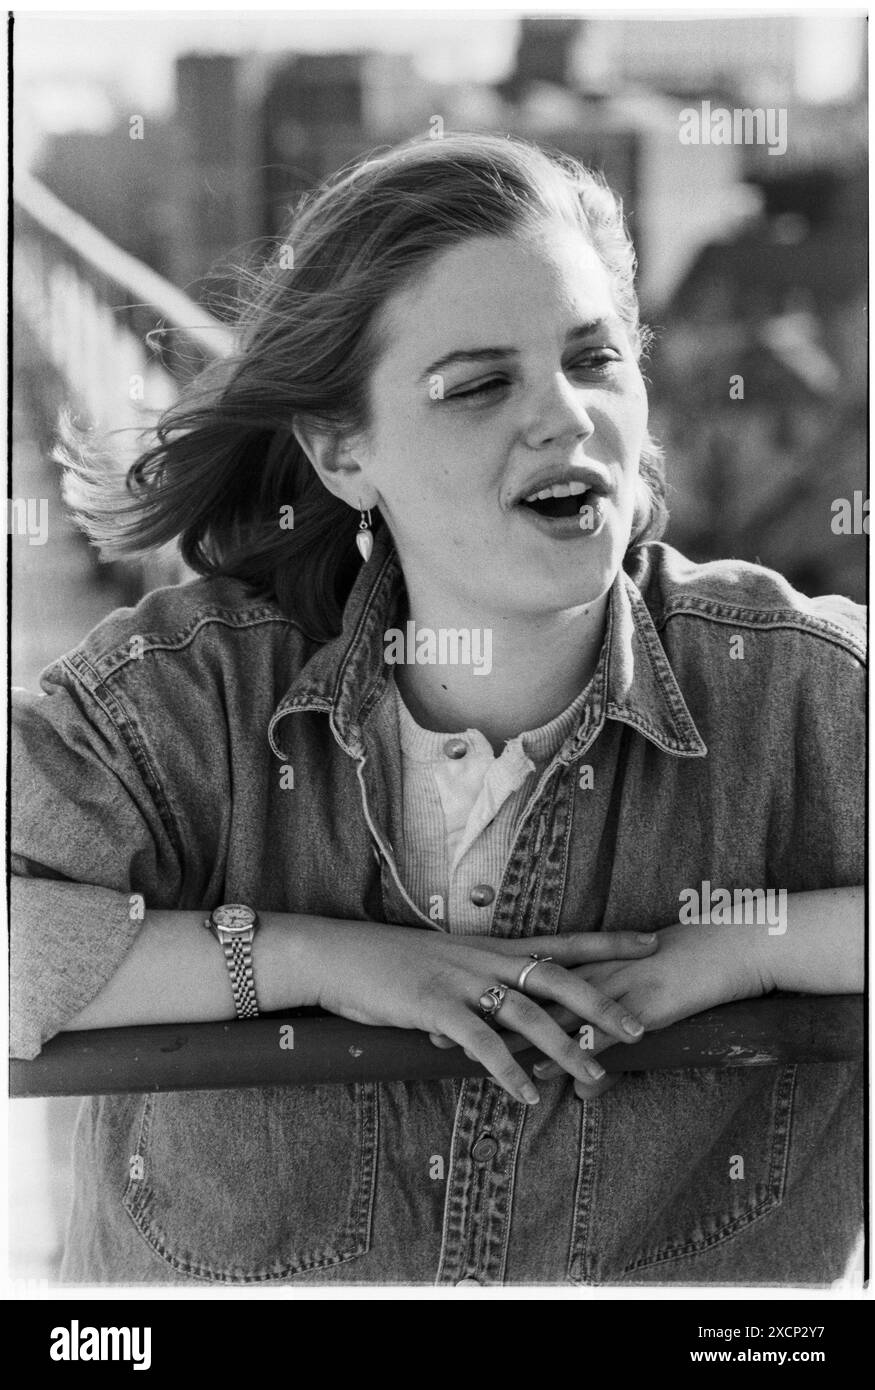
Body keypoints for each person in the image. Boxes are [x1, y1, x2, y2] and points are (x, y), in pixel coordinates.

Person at [12, 132, 864, 1287]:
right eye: (477, 384)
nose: (564, 416)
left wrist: (747, 947)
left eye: (593, 359)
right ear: (340, 450)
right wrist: (307, 960)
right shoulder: (183, 703)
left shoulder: (801, 692)